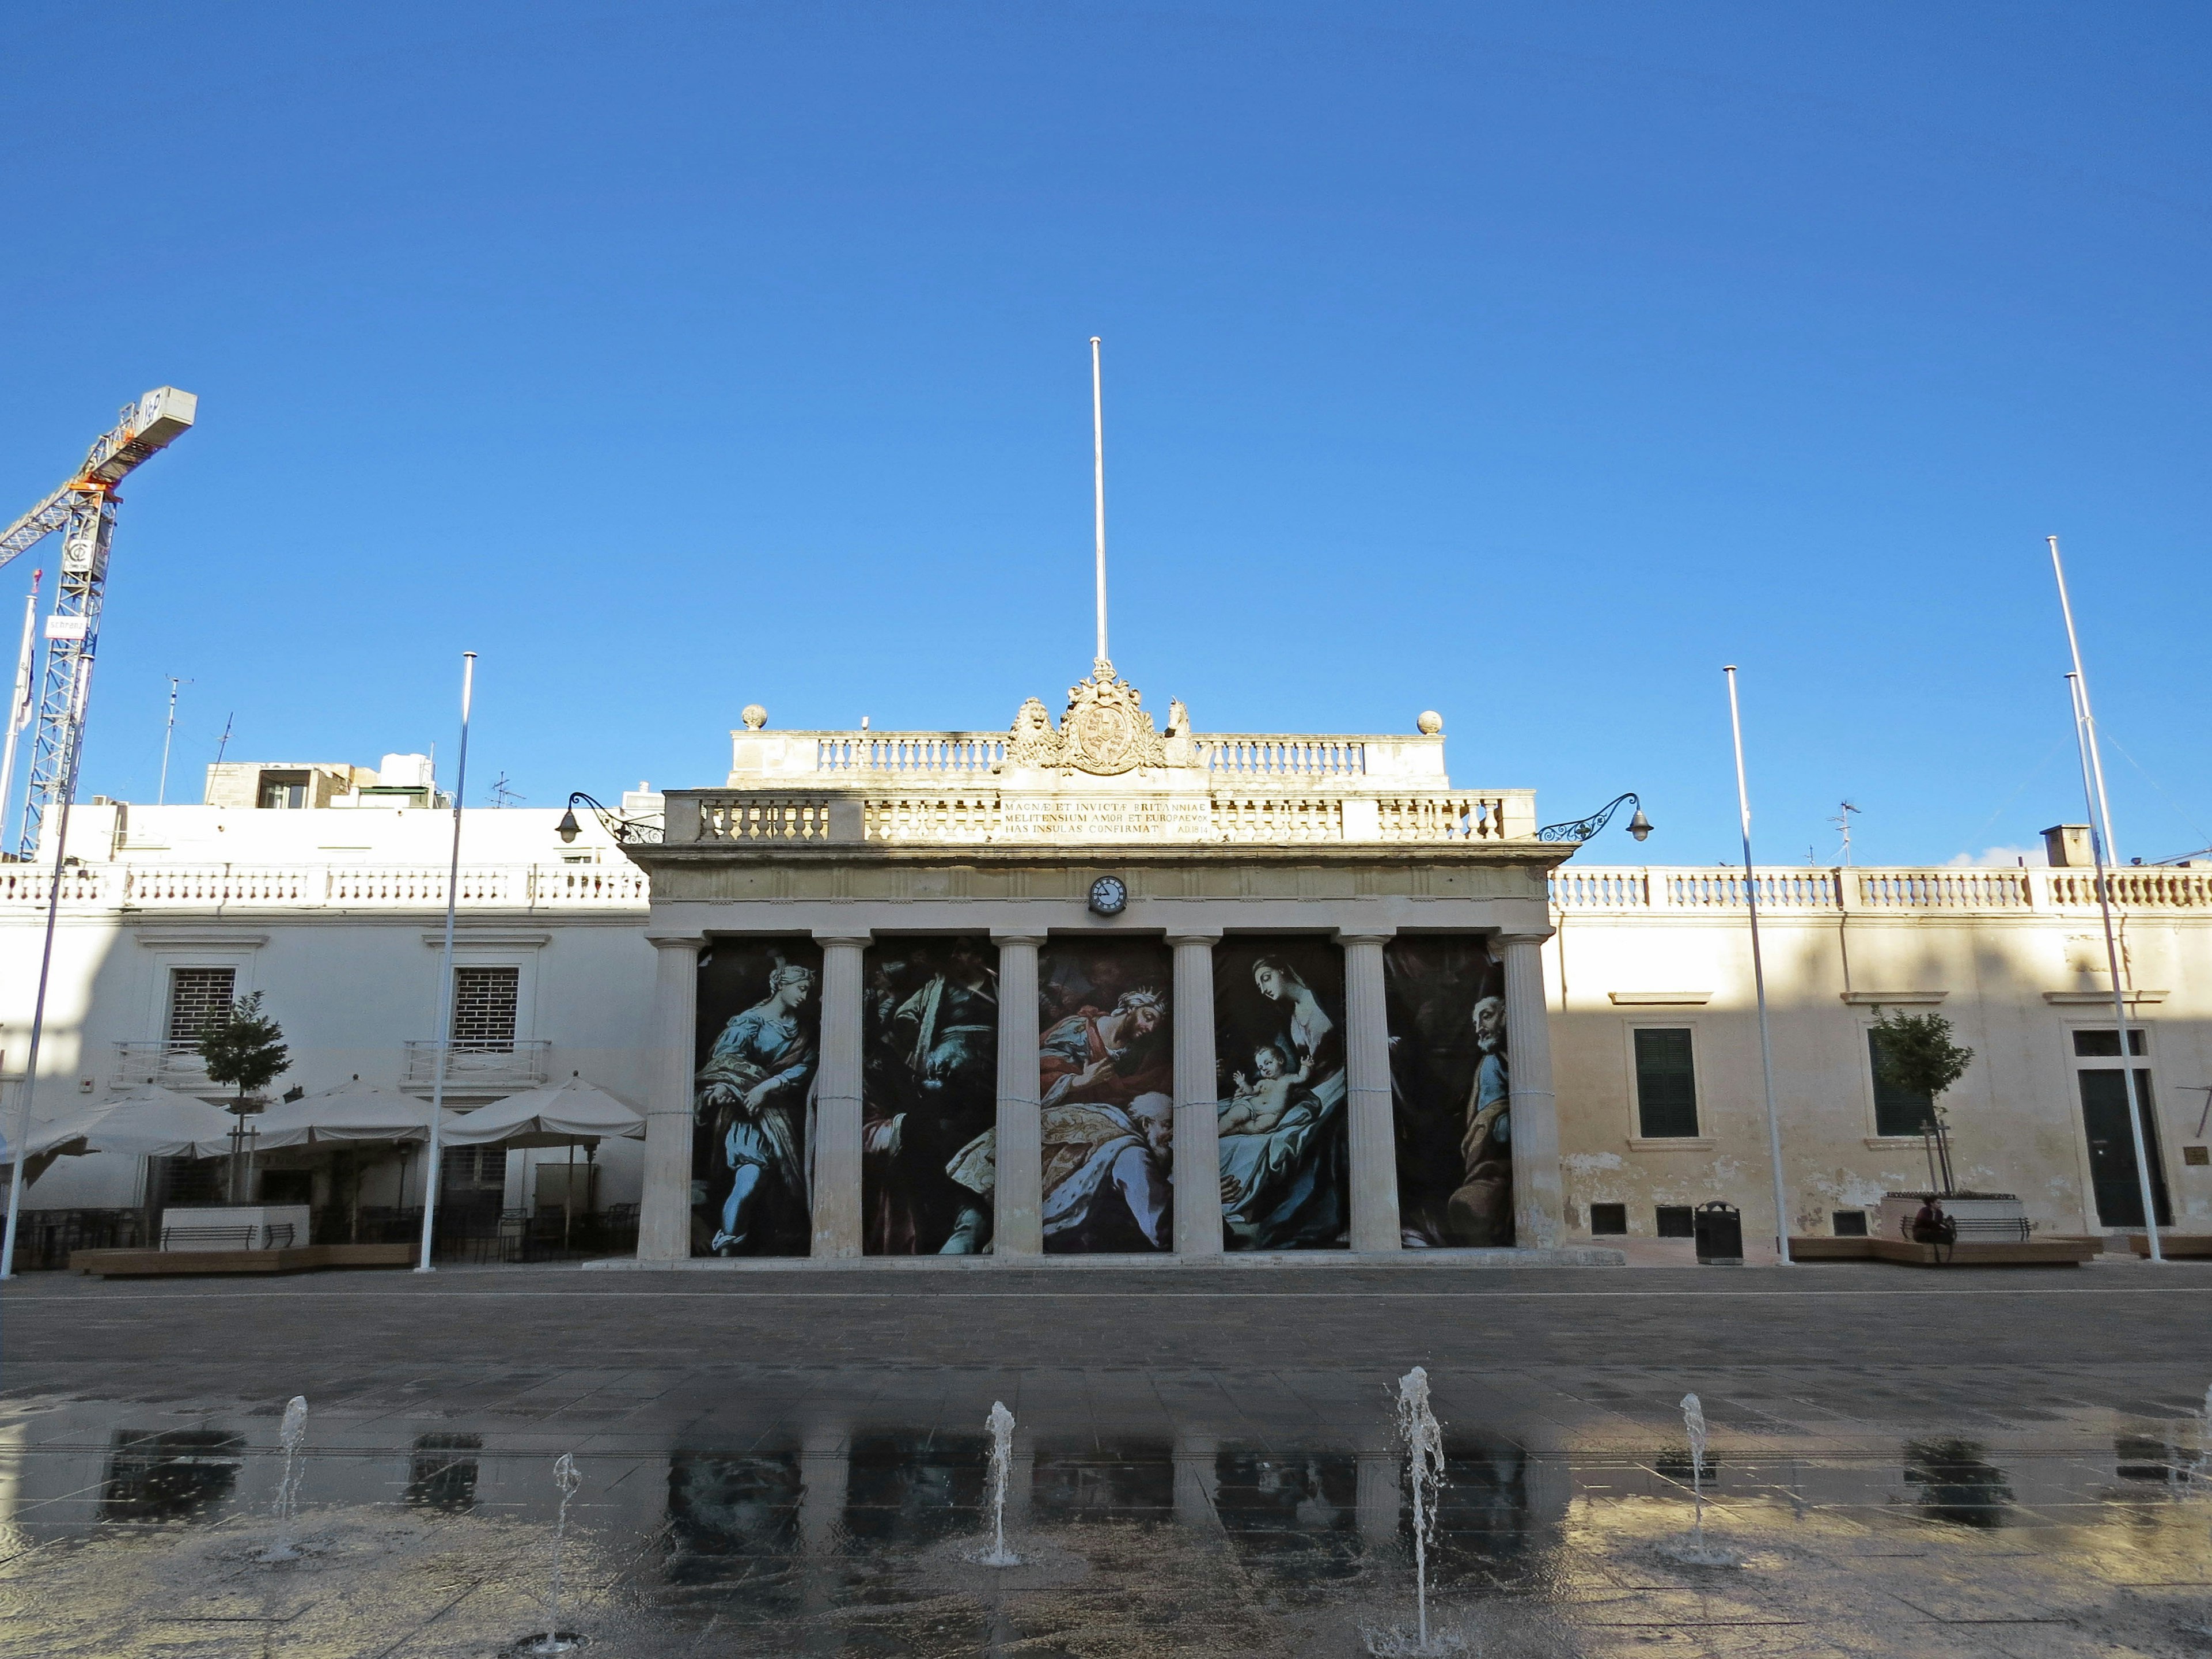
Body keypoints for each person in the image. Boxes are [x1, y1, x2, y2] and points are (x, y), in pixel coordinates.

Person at [1216, 955, 1349, 1249]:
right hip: (1313, 1089)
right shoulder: (1291, 1018)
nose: (1264, 988)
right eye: (1258, 984)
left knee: (1305, 1137)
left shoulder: (1325, 1002)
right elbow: (1280, 1069)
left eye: (1266, 977)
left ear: (1284, 969)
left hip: (1337, 1086)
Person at [694, 963, 817, 1255]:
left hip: (787, 1119)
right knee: (750, 1180)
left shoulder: (804, 1030)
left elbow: (808, 1066)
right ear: (780, 986)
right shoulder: (749, 1023)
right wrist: (726, 1088)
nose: (805, 996)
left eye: (809, 991)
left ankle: (769, 1242)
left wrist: (767, 1086)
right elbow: (724, 1065)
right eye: (801, 988)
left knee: (782, 1192)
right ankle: (728, 1245)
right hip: (749, 1118)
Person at [1446, 995, 1512, 1244]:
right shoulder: (1492, 1064)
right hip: (1491, 1165)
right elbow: (1489, 1123)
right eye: (1476, 1023)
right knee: (1472, 1204)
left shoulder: (1504, 1058)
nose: (1479, 1028)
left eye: (1486, 1016)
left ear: (1506, 1015)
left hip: (1500, 1166)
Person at [1218, 1043, 1309, 1135]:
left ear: (1281, 1061)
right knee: (1234, 1116)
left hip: (1271, 1114)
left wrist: (1305, 1066)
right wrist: (1243, 1083)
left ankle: (1238, 1128)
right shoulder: (1263, 1082)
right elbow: (1251, 1091)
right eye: (1261, 1068)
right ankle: (1217, 1132)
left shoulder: (1287, 1079)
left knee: (1258, 1128)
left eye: (1268, 1063)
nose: (1264, 1069)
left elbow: (1302, 1077)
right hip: (1251, 1107)